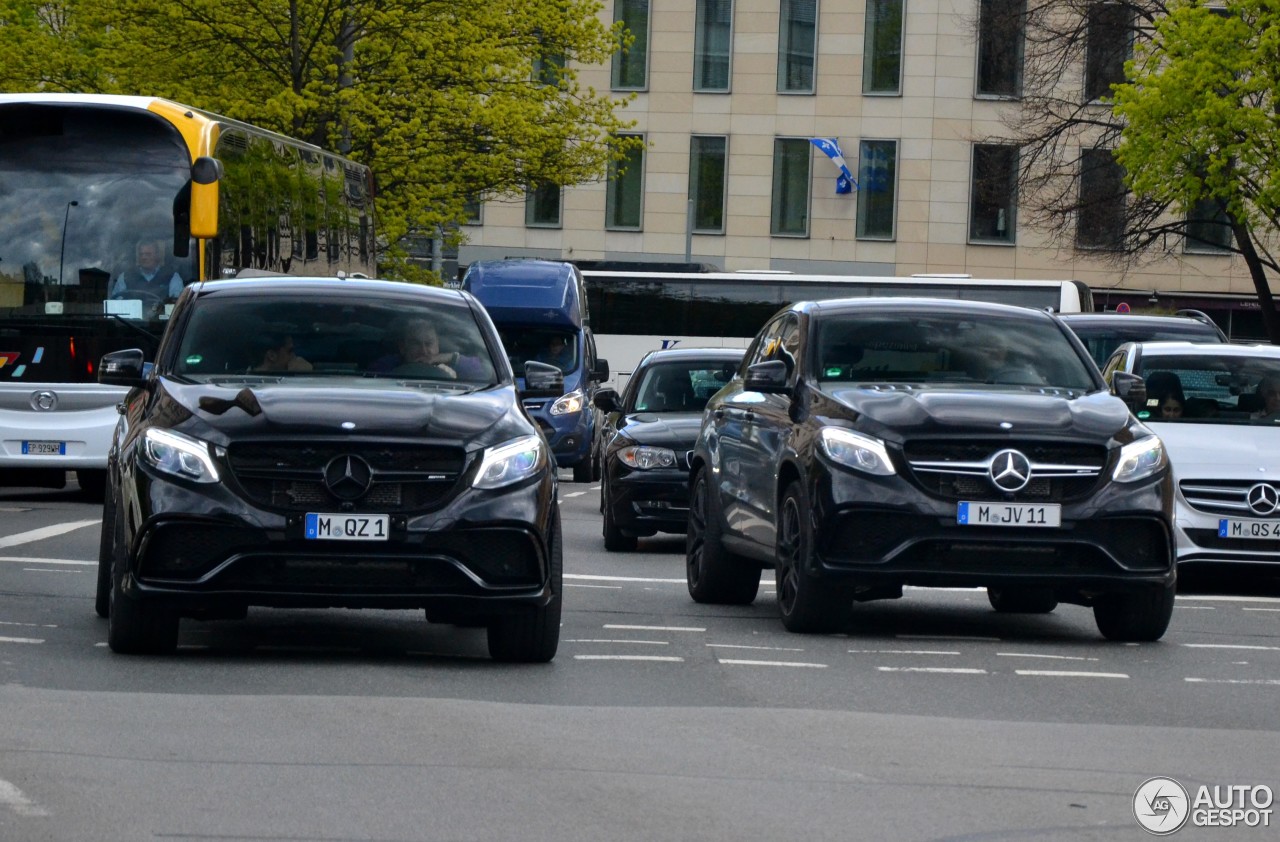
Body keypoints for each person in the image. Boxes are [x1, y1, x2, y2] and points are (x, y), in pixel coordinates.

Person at [371, 316, 483, 379]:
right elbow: (375, 382)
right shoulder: (387, 365)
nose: (423, 350)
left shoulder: (452, 365)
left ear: (438, 345)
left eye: (429, 343)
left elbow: (485, 372)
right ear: (403, 347)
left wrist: (450, 377)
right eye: (416, 344)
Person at [109, 239, 183, 301]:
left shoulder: (172, 277)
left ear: (157, 256)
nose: (144, 257)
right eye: (141, 254)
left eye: (148, 254)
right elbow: (116, 305)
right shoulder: (125, 277)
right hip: (128, 318)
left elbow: (177, 306)